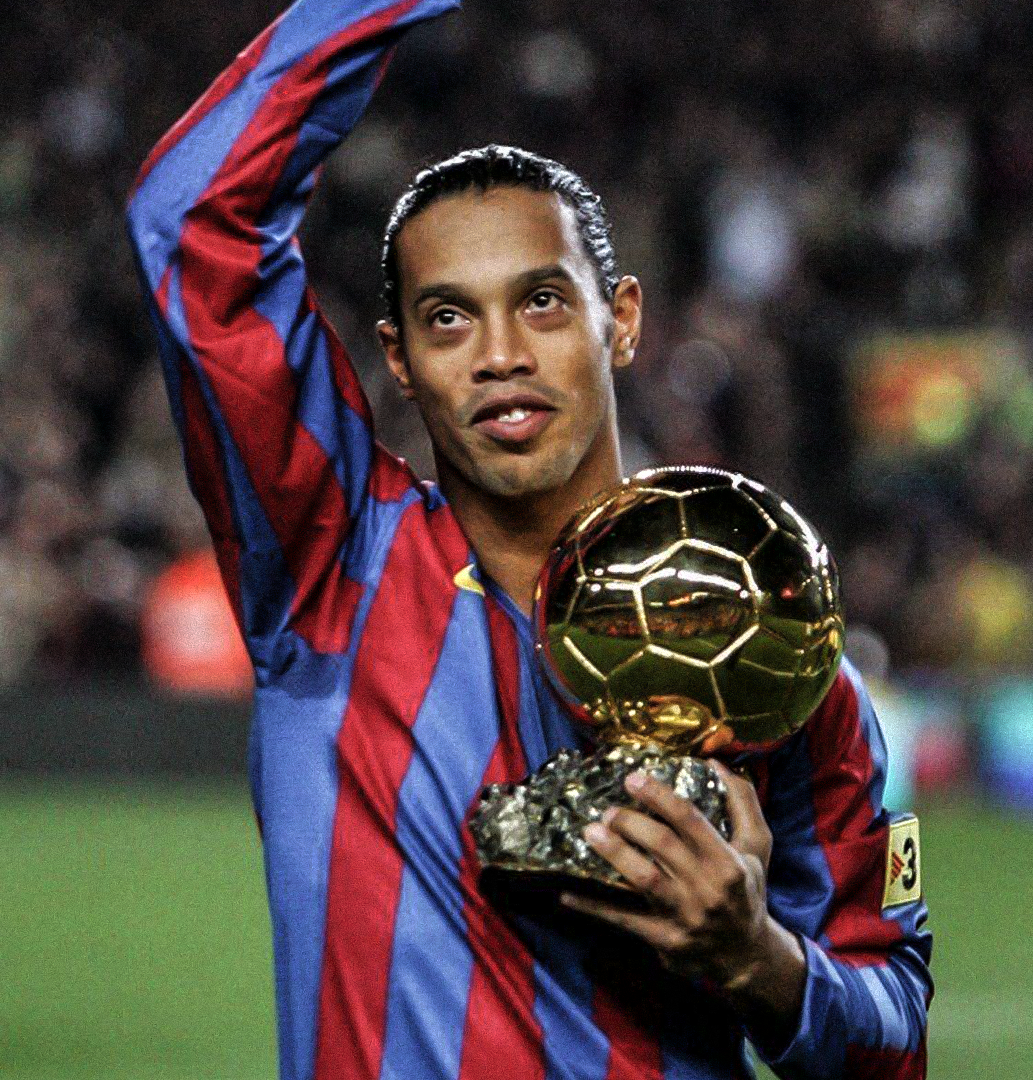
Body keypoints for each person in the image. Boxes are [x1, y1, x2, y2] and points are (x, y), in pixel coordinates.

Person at [126, 2, 932, 1078]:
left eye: (543, 302)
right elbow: (191, 223)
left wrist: (760, 961)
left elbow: (897, 1034)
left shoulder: (775, 651)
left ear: (622, 319)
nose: (499, 352)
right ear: (399, 359)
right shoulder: (333, 564)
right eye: (448, 318)